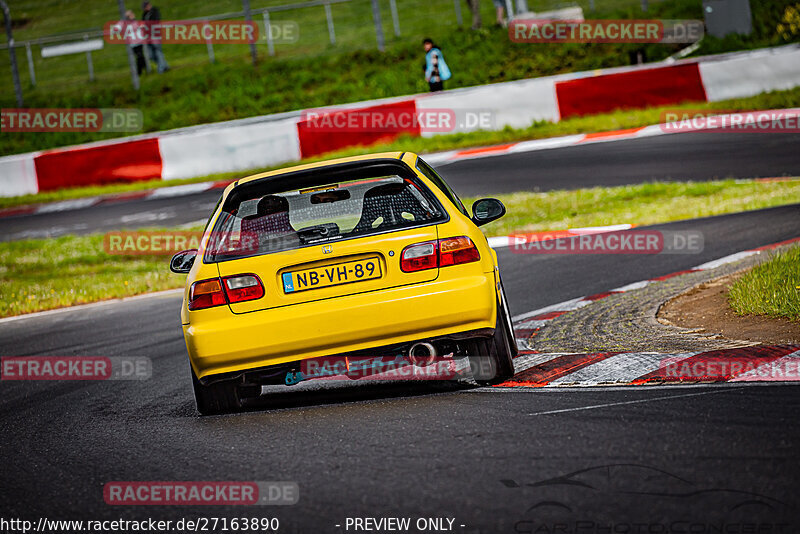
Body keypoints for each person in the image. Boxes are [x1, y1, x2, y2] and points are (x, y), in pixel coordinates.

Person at [142, 1, 169, 73]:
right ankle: (164, 65)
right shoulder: (144, 14)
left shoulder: (154, 11)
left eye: (145, 7)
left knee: (158, 51)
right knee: (150, 55)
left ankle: (161, 69)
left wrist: (148, 26)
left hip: (155, 35)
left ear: (148, 5)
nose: (144, 9)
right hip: (148, 36)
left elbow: (156, 21)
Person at [124, 10, 147, 76]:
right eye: (130, 15)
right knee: (139, 56)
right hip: (134, 44)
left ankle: (141, 70)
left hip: (139, 41)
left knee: (140, 56)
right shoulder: (128, 24)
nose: (133, 15)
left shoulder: (136, 22)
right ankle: (141, 69)